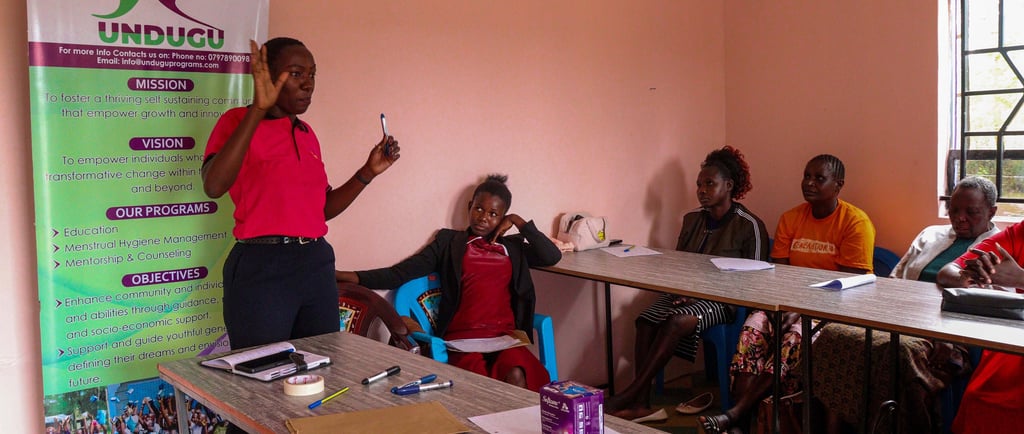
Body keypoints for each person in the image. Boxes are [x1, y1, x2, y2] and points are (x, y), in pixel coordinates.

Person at [201, 37, 399, 350]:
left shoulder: (307, 135)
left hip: (315, 262)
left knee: (321, 362)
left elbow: (319, 210)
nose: (308, 84)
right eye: (296, 74)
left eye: (312, 74)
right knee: (262, 368)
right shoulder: (236, 121)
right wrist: (258, 110)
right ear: (268, 77)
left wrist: (368, 172)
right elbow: (213, 186)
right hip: (262, 265)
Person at [700, 154, 876, 434]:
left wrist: (801, 309)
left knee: (794, 337)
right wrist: (783, 307)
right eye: (806, 176)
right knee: (752, 329)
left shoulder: (855, 222)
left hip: (832, 310)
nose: (809, 183)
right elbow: (779, 276)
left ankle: (735, 415)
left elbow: (848, 286)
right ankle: (742, 423)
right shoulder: (791, 218)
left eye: (819, 178)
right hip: (790, 302)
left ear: (838, 185)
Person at [337, 174, 562, 391]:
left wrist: (518, 221)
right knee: (480, 388)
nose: (483, 217)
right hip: (463, 340)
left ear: (503, 217)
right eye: (479, 209)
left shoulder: (511, 248)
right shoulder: (449, 243)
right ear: (470, 207)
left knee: (517, 375)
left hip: (504, 338)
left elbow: (551, 256)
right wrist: (347, 276)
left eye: (494, 214)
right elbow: (400, 273)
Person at [814, 176, 999, 433]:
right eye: (954, 210)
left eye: (972, 212)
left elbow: (996, 304)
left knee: (899, 351)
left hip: (950, 330)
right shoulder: (930, 234)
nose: (960, 218)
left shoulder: (998, 249)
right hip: (900, 315)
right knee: (834, 334)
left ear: (992, 212)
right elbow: (895, 279)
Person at [603, 146, 770, 421]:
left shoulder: (749, 225)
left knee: (676, 321)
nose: (702, 190)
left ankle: (629, 394)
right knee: (645, 321)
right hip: (685, 295)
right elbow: (679, 265)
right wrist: (681, 291)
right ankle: (641, 403)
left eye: (710, 184)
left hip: (725, 301)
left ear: (729, 186)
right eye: (699, 184)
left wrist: (701, 294)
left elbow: (756, 281)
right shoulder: (692, 220)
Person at [935, 221, 1024, 434]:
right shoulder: (1018, 234)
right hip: (1013, 344)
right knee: (981, 399)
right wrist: (974, 275)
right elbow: (947, 272)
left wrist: (1021, 278)